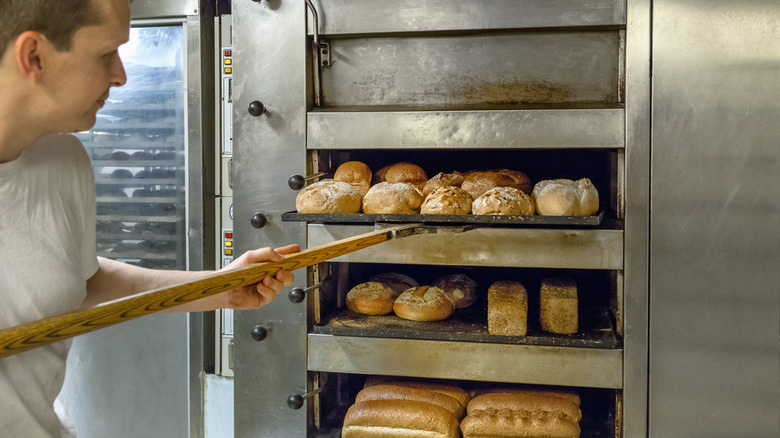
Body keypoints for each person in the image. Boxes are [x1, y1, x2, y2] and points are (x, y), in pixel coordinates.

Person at [0, 0, 298, 436]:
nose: (120, 75)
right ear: (34, 56)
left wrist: (220, 288)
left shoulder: (62, 158)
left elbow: (83, 281)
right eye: (106, 54)